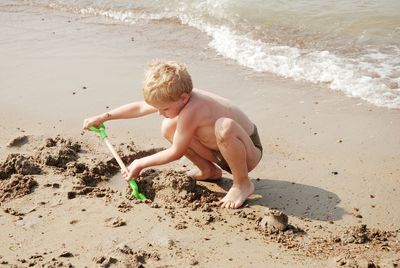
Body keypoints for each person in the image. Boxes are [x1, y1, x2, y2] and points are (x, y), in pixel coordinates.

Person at [83, 60, 263, 209]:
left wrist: (140, 163)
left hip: (247, 154)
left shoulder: (195, 107)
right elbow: (139, 107)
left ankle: (242, 183)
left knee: (225, 126)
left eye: (165, 108)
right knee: (168, 126)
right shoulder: (175, 98)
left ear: (183, 98)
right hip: (218, 152)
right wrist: (104, 117)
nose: (160, 112)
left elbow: (176, 151)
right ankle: (208, 170)